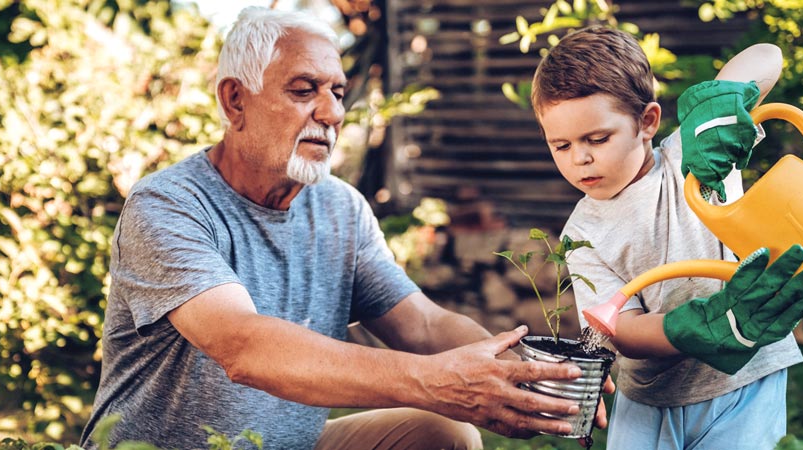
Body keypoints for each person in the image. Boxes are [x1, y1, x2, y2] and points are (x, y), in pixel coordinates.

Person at [82, 7, 609, 450]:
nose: (332, 111)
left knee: (442, 433)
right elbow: (243, 347)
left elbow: (422, 326)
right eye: (304, 89)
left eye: (337, 91)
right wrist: (434, 381)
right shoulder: (170, 203)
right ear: (234, 101)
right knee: (437, 405)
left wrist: (529, 372)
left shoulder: (339, 208)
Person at [531, 27, 803, 450]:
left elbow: (766, 55)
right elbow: (621, 328)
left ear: (647, 122)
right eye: (560, 145)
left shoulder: (696, 157)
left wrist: (717, 108)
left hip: (745, 378)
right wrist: (692, 329)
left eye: (598, 139)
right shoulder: (583, 232)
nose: (581, 157)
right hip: (650, 398)